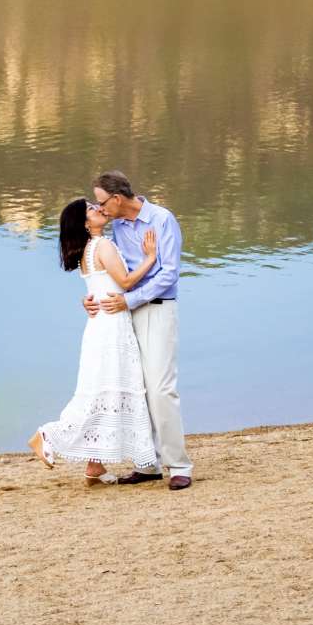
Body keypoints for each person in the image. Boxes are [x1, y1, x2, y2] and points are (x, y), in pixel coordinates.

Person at [30, 199, 160, 483]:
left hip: (99, 326)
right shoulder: (102, 246)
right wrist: (150, 257)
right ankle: (49, 434)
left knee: (102, 391)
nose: (99, 209)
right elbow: (125, 283)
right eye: (91, 209)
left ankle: (95, 464)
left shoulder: (87, 251)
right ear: (85, 223)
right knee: (106, 390)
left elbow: (100, 287)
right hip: (111, 326)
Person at [84, 170, 191, 489]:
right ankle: (147, 464)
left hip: (156, 309)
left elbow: (169, 273)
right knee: (135, 387)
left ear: (117, 199)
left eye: (102, 202)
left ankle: (179, 465)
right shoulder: (116, 227)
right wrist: (92, 298)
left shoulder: (161, 219)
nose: (100, 209)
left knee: (160, 388)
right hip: (122, 313)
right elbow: (115, 273)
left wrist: (130, 299)